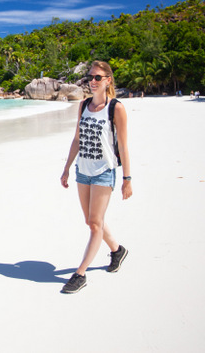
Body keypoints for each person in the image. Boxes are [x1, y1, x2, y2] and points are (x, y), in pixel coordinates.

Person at [59, 61, 132, 294]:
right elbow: (77, 139)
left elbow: (123, 144)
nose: (93, 81)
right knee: (92, 221)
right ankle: (117, 250)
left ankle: (80, 274)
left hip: (104, 172)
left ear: (108, 80)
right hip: (83, 171)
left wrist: (127, 179)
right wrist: (67, 168)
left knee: (94, 224)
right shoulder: (83, 106)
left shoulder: (116, 108)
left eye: (98, 77)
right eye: (90, 77)